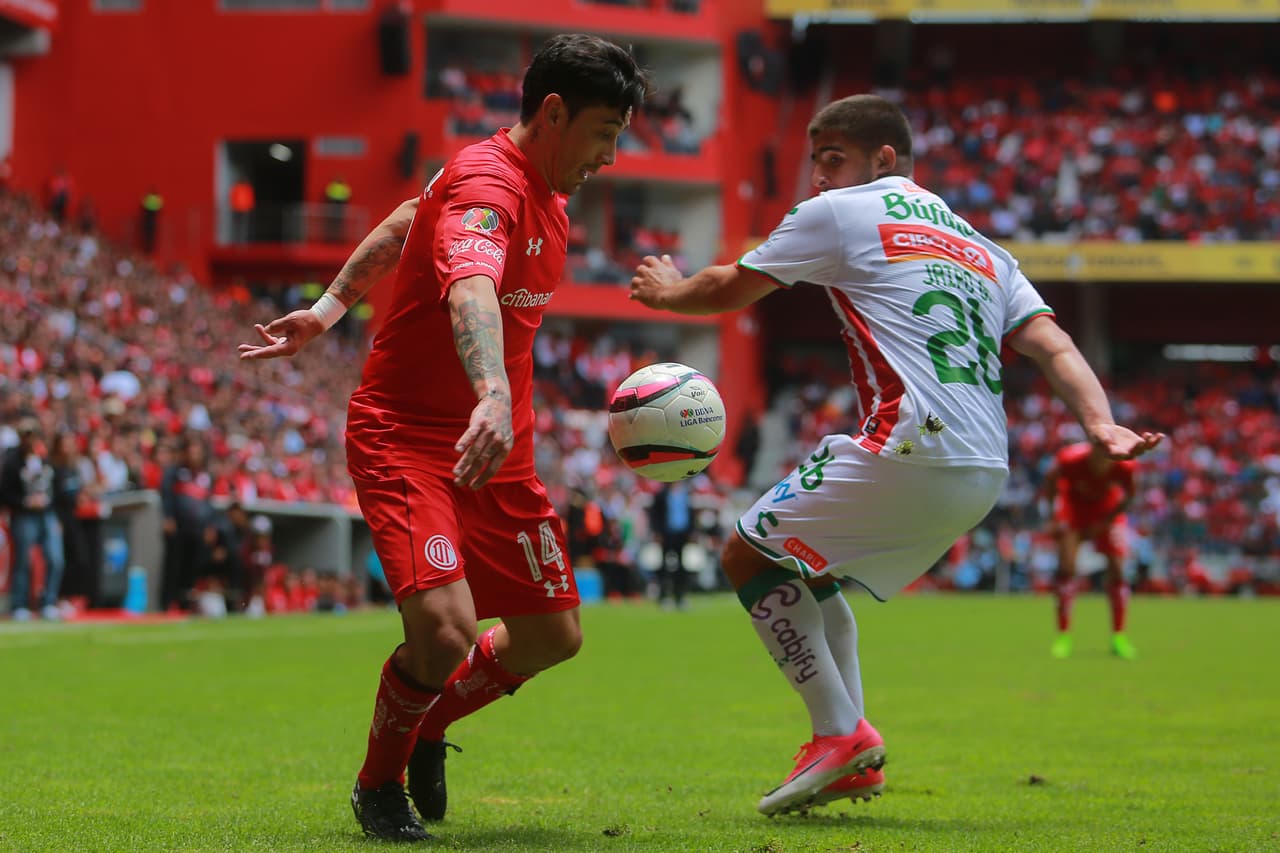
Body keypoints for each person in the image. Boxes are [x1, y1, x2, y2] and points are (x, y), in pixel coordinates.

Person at [629, 93, 1164, 817]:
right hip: (982, 469)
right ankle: (845, 750)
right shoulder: (986, 249)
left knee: (747, 556)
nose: (819, 177)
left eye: (833, 158)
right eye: (814, 162)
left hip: (912, 443)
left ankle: (839, 734)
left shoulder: (845, 213)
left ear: (884, 159)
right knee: (803, 565)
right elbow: (1053, 345)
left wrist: (667, 293)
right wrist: (1101, 424)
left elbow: (729, 287)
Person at [240, 34, 650, 842]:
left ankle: (427, 723)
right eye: (605, 132)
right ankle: (378, 782)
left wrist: (327, 308)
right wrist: (493, 391)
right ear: (556, 112)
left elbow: (407, 217)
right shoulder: (490, 185)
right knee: (445, 627)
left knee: (552, 635)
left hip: (499, 447)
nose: (609, 154)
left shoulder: (534, 187)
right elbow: (470, 284)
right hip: (410, 435)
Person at [1042, 441, 1140, 660]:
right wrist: (1052, 515)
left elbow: (1130, 495)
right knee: (1066, 568)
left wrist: (1107, 522)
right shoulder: (1069, 459)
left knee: (1117, 569)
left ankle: (1119, 636)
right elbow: (1050, 482)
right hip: (1073, 510)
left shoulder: (1124, 465)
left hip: (1106, 511)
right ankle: (1063, 636)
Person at [0, 418, 66, 621]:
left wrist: (52, 509)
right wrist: (25, 502)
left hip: (46, 514)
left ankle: (48, 601)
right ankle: (19, 604)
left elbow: (56, 488)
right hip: (23, 515)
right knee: (23, 560)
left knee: (55, 558)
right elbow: (5, 493)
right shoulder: (12, 461)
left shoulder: (44, 459)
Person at [649, 481, 694, 609]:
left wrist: (691, 532)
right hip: (666, 534)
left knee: (681, 567)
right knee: (664, 566)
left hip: (681, 534)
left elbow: (690, 514)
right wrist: (657, 532)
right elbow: (655, 516)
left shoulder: (685, 494)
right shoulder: (661, 495)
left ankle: (679, 596)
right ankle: (663, 596)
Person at [230, 177, 256, 244]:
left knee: (242, 227)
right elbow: (233, 198)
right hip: (238, 209)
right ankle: (237, 241)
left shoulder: (245, 188)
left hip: (243, 209)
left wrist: (249, 207)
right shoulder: (238, 188)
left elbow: (250, 198)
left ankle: (242, 241)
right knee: (238, 226)